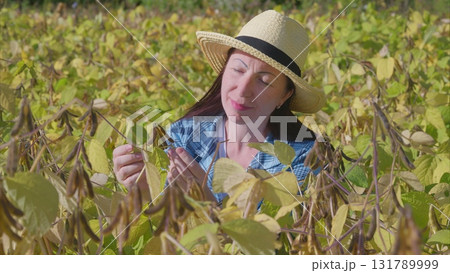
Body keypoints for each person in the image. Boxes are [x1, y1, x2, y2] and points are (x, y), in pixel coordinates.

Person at [113, 10, 325, 204]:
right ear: (224, 71)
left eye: (265, 80)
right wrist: (143, 193)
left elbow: (282, 243)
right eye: (238, 70)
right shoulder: (183, 135)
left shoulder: (304, 159)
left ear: (285, 96)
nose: (243, 90)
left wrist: (209, 210)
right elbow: (160, 226)